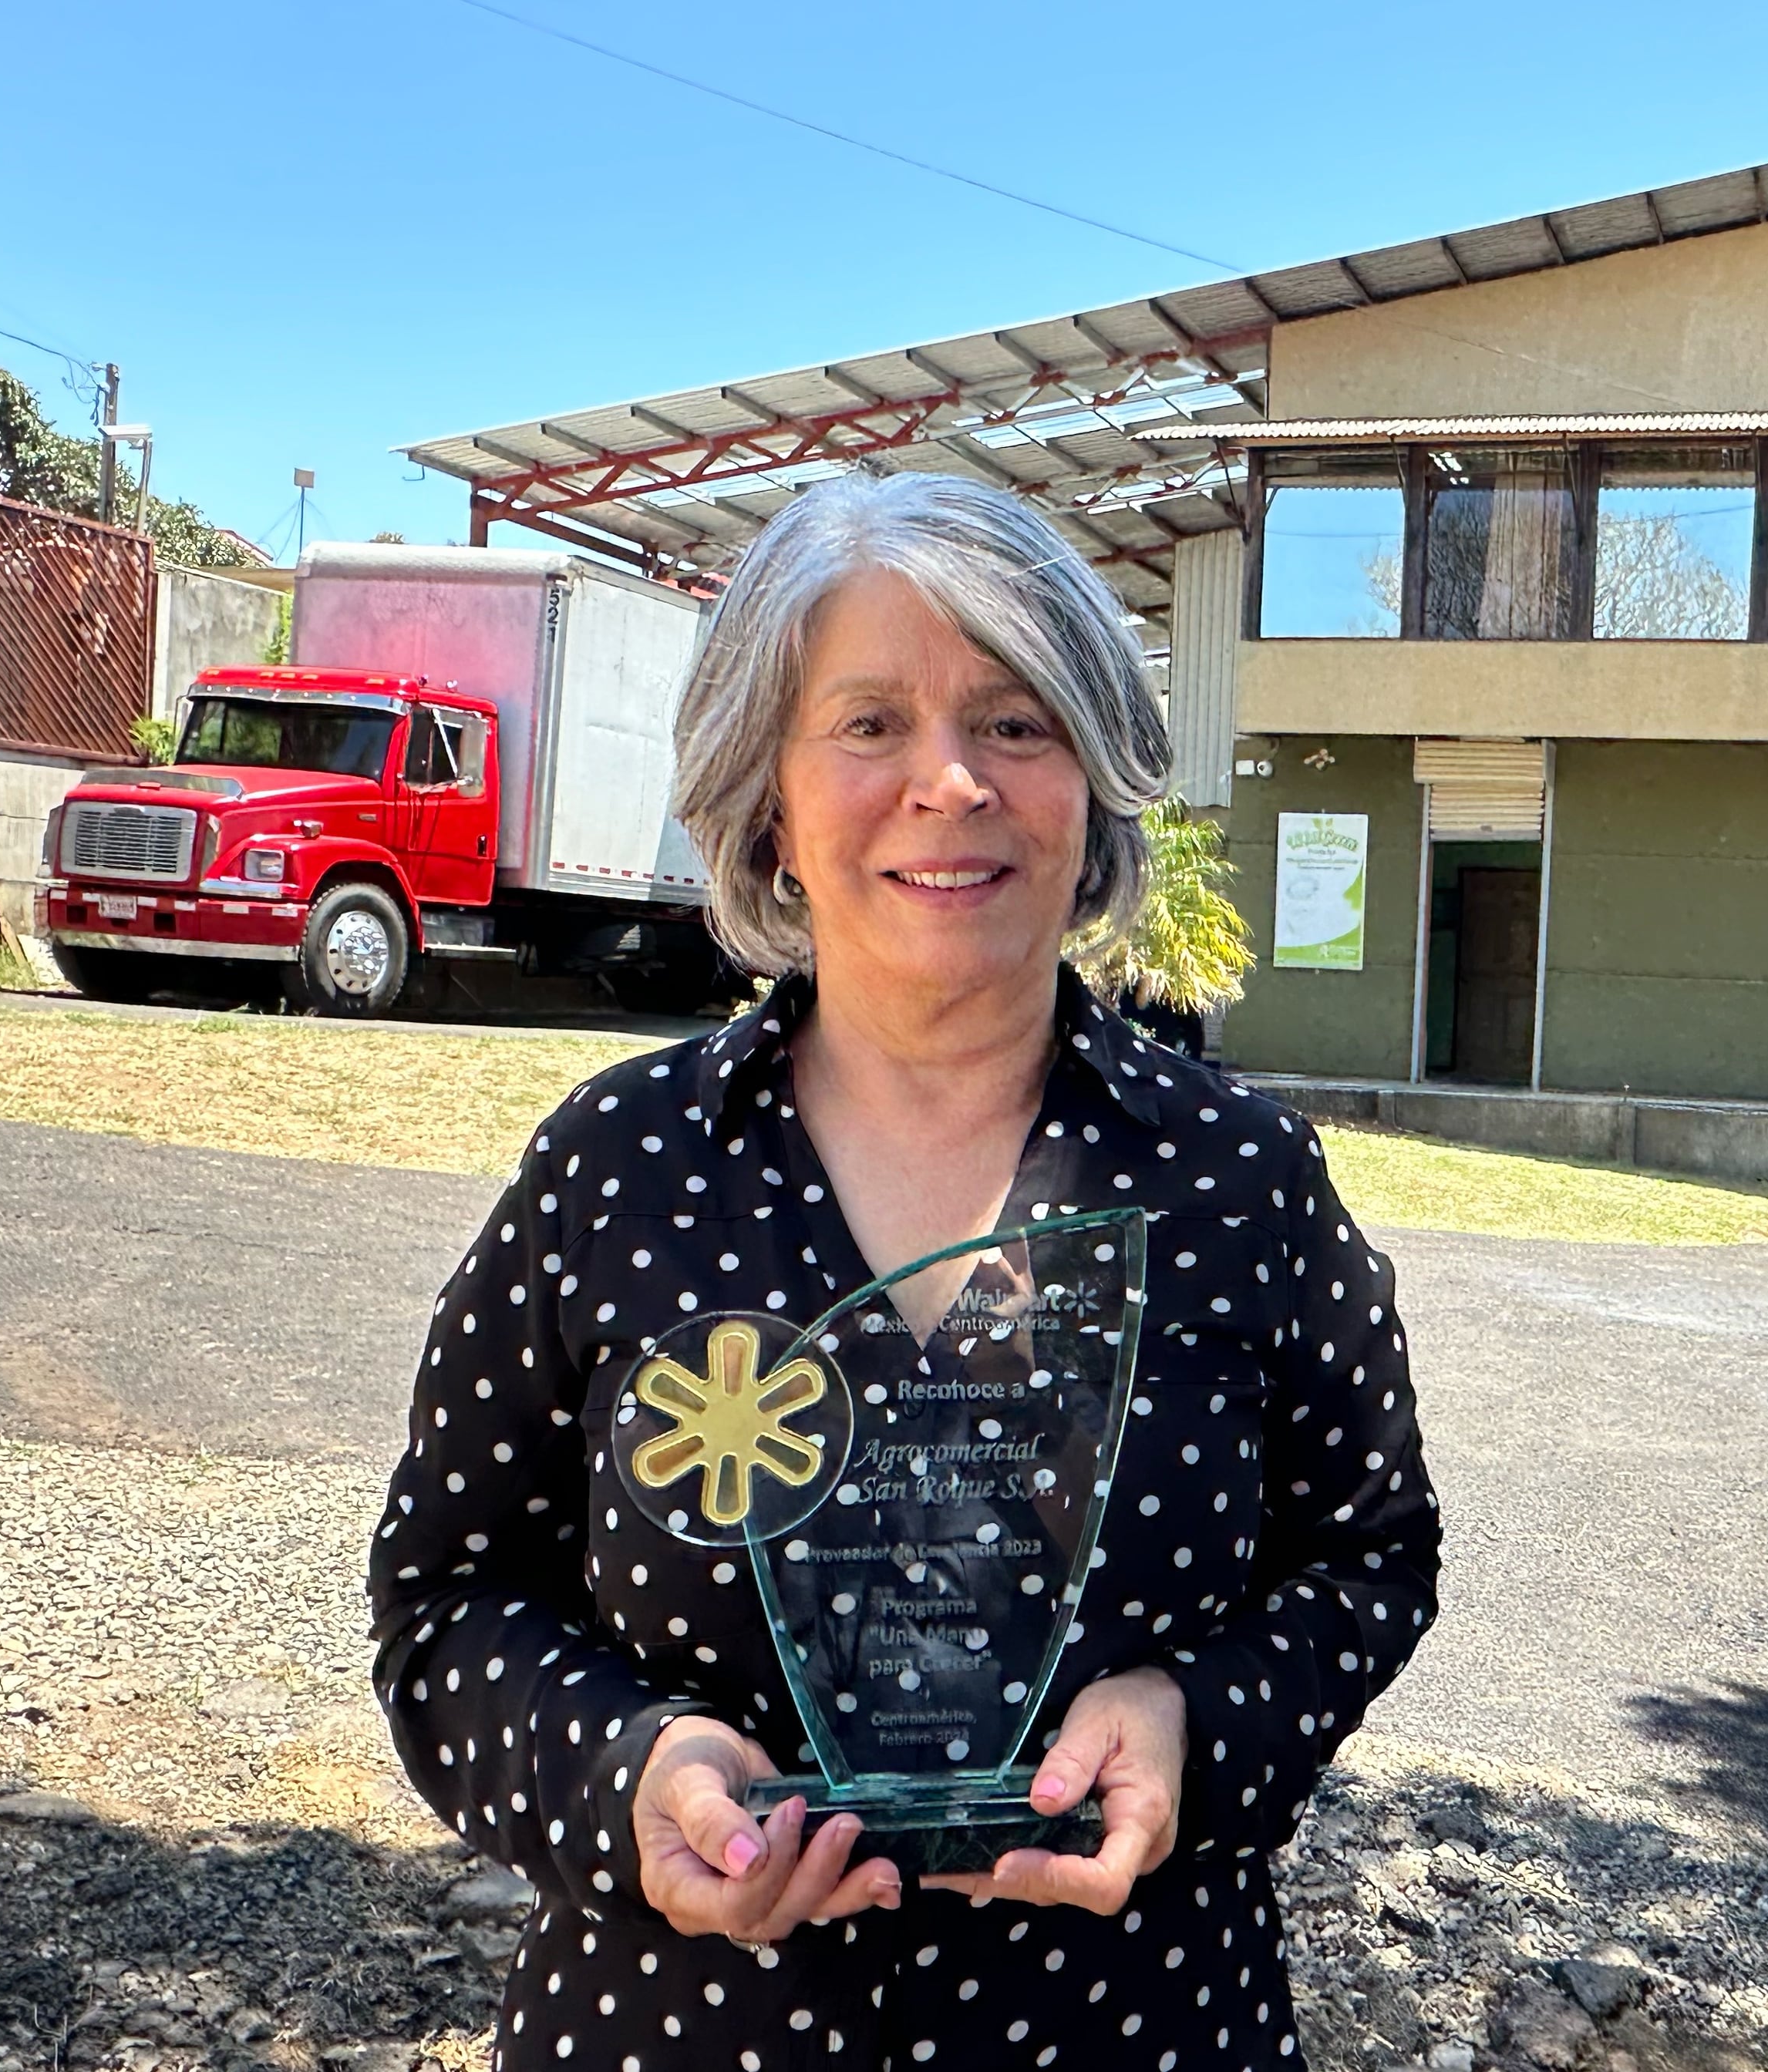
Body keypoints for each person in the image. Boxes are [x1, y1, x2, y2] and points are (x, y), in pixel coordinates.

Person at [368, 472, 1441, 2070]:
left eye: (1016, 722)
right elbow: (444, 1598)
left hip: (1134, 2028)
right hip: (677, 2030)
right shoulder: (619, 1169)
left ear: (1090, 780)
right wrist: (629, 1774)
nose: (949, 782)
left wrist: (1197, 1729)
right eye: (869, 725)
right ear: (768, 799)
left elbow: (1371, 1554)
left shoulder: (1239, 1181)